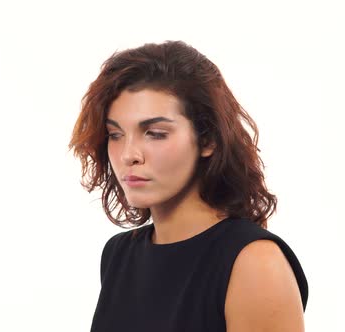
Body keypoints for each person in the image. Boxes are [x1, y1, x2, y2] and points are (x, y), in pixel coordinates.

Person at [68, 40, 308, 332]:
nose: (129, 154)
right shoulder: (119, 255)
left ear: (207, 139)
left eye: (155, 133)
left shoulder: (254, 263)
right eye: (115, 134)